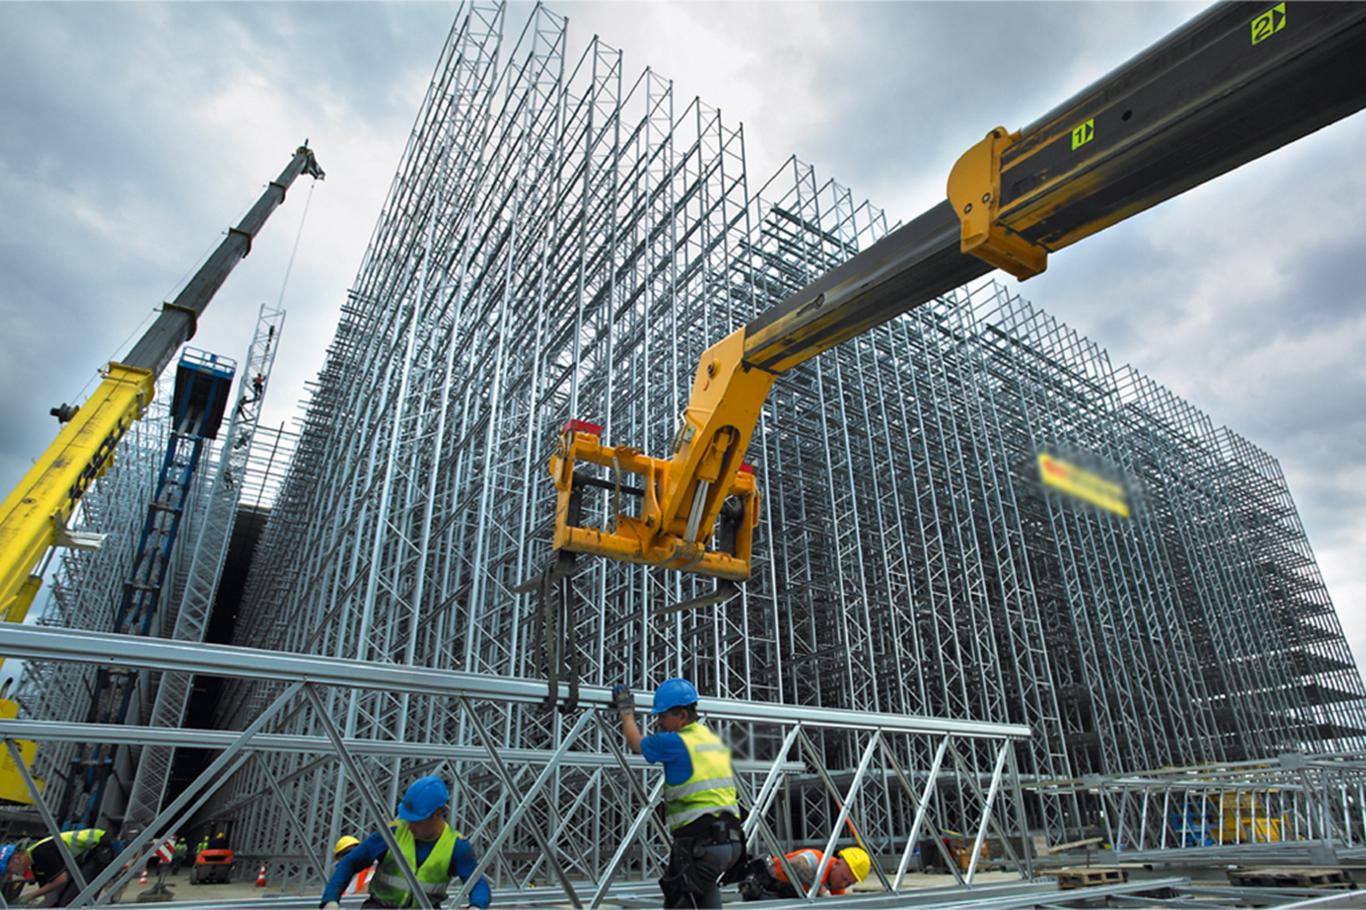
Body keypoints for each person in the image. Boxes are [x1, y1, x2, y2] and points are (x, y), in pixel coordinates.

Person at [611, 678, 744, 908]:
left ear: (682, 715)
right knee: (704, 895)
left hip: (702, 845)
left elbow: (635, 743)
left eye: (663, 716)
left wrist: (626, 712)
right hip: (731, 843)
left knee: (680, 901)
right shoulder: (712, 739)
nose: (659, 722)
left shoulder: (675, 742)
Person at [319, 776, 490, 909]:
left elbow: (477, 883)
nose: (408, 825)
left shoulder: (456, 846)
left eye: (416, 820)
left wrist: (476, 906)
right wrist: (330, 900)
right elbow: (350, 862)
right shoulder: (391, 833)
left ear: (437, 814)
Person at [0, 828, 120, 907]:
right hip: (91, 851)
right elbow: (49, 888)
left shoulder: (41, 853)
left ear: (17, 859)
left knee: (73, 901)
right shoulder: (34, 859)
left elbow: (60, 880)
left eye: (9, 870)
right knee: (61, 903)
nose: (12, 874)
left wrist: (31, 896)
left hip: (101, 846)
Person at [737, 846, 871, 900]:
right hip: (765, 890)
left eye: (849, 883)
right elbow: (794, 864)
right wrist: (820, 889)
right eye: (844, 878)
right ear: (836, 864)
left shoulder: (837, 889)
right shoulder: (817, 859)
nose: (843, 884)